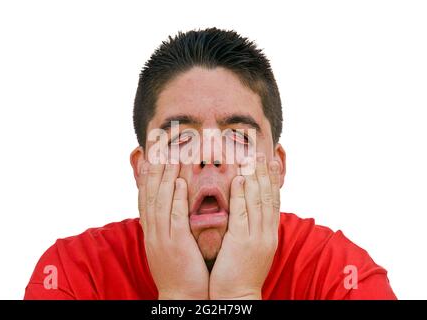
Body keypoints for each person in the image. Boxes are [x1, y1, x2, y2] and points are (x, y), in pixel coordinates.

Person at [24, 28, 396, 299]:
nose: (208, 155)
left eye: (239, 137)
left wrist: (239, 295)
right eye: (179, 138)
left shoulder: (340, 274)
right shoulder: (73, 273)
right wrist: (178, 296)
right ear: (141, 169)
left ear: (276, 167)